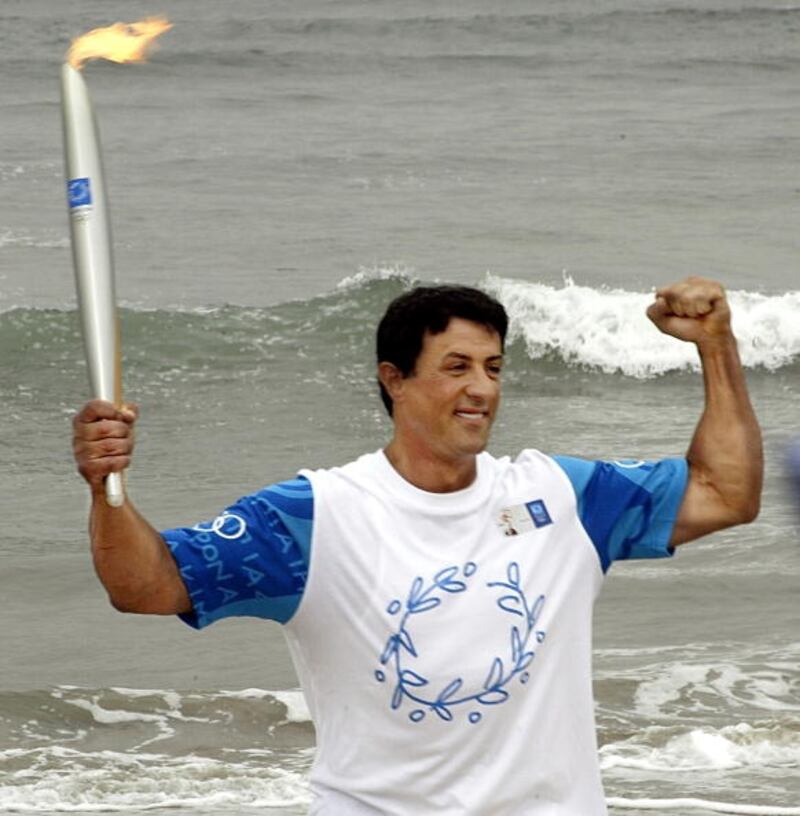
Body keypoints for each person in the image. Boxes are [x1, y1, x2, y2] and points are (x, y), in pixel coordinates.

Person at [73, 276, 762, 815]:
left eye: (493, 367)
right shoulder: (315, 516)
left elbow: (725, 492)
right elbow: (146, 584)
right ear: (394, 379)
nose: (481, 388)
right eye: (457, 366)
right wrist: (107, 488)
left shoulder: (562, 496)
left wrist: (717, 346)